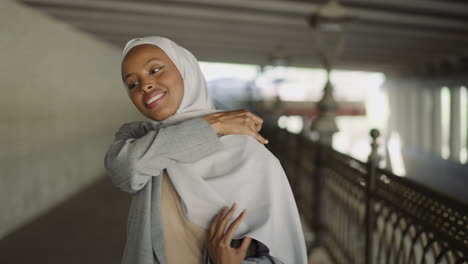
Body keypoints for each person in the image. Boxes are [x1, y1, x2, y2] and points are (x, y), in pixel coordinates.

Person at [104, 36, 307, 264]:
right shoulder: (137, 137)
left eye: (156, 69)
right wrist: (214, 126)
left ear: (186, 70)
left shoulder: (247, 151)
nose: (145, 85)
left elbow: (284, 254)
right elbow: (127, 170)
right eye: (132, 83)